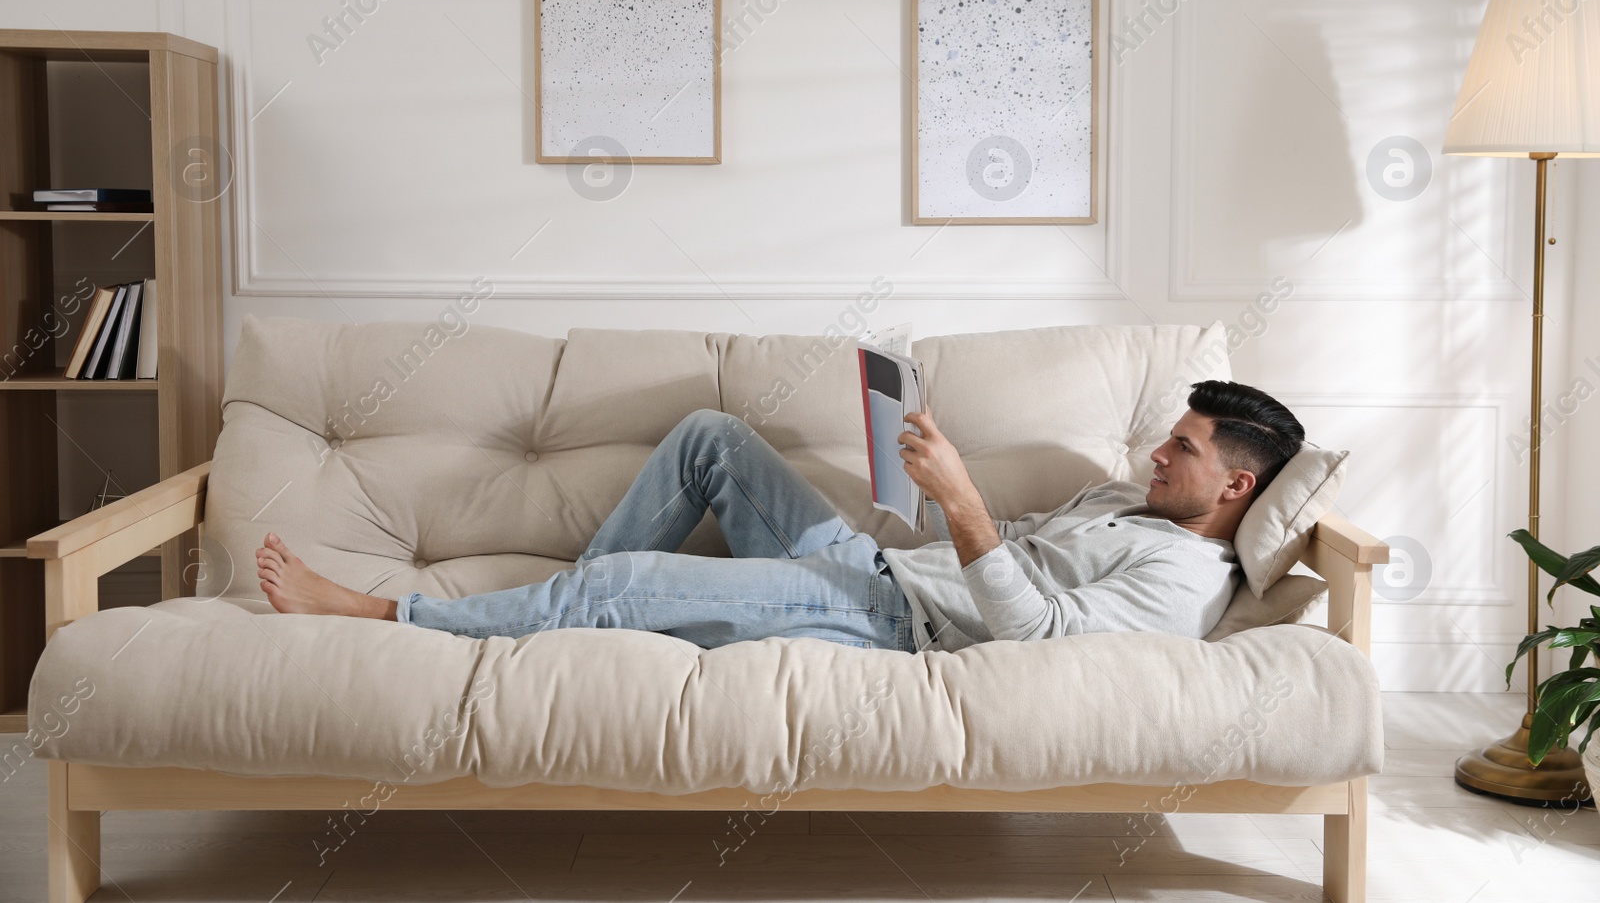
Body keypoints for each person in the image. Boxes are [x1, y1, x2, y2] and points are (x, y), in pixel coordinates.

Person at [255, 380, 1304, 653]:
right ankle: (561, 612)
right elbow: (1011, 548)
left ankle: (381, 615)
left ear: (1234, 489)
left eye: (1182, 448)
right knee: (712, 434)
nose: (1156, 452)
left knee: (621, 587)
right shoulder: (1128, 502)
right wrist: (925, 503)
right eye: (1168, 434)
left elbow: (1036, 636)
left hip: (898, 627)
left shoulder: (1183, 584)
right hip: (886, 566)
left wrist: (965, 502)